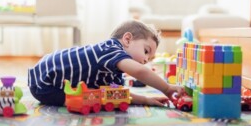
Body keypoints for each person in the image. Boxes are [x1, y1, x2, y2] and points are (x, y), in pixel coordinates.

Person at [28, 20, 185, 107]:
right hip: (46, 84)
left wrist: (145, 100)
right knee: (90, 100)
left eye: (149, 58)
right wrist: (167, 88)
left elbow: (116, 94)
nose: (145, 60)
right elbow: (139, 72)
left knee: (105, 96)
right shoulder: (110, 48)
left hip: (48, 78)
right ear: (127, 39)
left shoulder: (113, 68)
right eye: (146, 51)